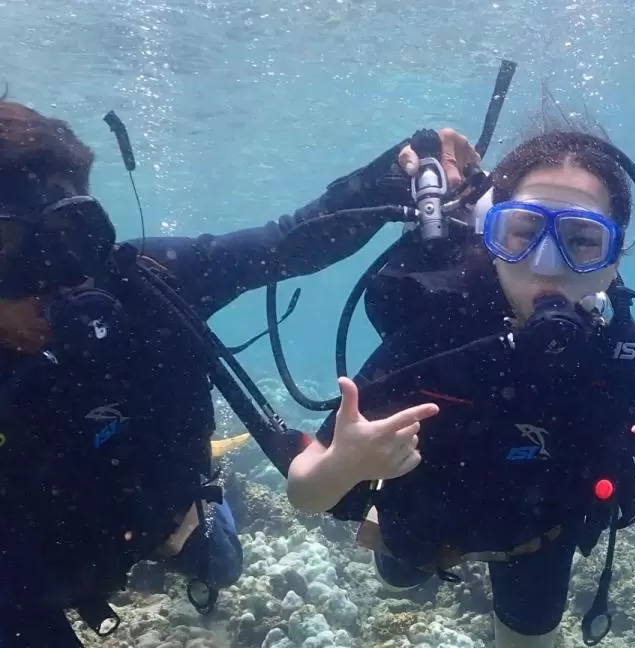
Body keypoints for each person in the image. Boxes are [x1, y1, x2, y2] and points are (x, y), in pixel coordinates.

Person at [0, 95, 478, 647]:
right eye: (6, 252)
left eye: (67, 239)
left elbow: (288, 243)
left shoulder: (147, 282)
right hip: (28, 577)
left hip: (169, 514)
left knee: (223, 564)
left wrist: (392, 174)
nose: (48, 280)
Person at [287, 121, 635, 648]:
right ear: (491, 237)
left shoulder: (627, 366)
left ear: (613, 259)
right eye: (524, 233)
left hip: (536, 545)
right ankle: (405, 565)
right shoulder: (433, 339)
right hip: (421, 529)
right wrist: (344, 464)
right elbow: (304, 491)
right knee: (400, 578)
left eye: (582, 241)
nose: (548, 265)